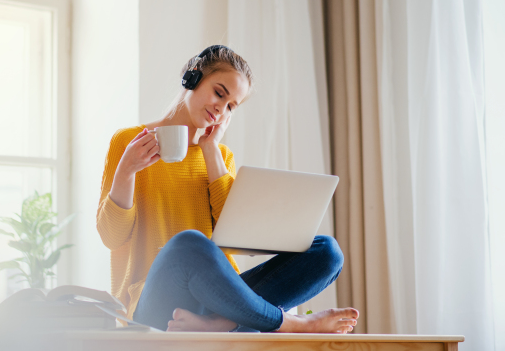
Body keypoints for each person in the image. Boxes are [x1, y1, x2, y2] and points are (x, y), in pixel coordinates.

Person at [96, 45, 359, 333]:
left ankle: (219, 322)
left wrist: (210, 151)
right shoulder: (130, 142)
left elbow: (231, 238)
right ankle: (288, 323)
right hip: (154, 304)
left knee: (327, 252)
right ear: (192, 78)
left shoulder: (221, 157)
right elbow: (112, 237)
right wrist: (127, 170)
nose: (222, 108)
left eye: (232, 105)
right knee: (189, 244)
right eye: (220, 93)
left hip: (217, 297)